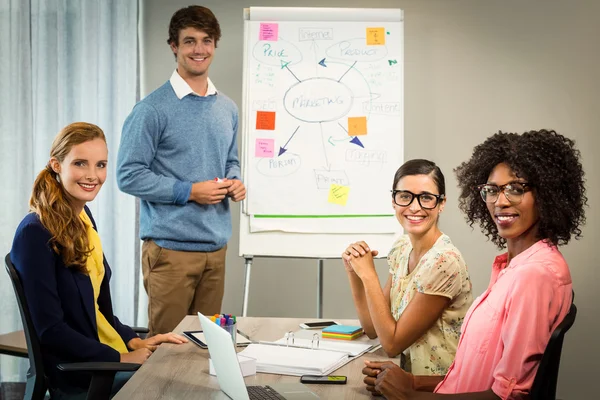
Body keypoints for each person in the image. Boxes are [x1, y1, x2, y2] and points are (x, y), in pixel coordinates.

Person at [362, 129, 586, 399]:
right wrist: (410, 381)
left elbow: (506, 396)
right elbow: (470, 374)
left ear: (547, 194)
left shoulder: (535, 275)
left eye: (516, 189)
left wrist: (410, 395)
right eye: (492, 190)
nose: (500, 201)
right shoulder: (511, 266)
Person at [9, 122, 188, 399]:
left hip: (104, 359)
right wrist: (120, 357)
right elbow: (51, 330)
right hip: (83, 373)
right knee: (179, 384)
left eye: (101, 165)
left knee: (184, 365)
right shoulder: (35, 232)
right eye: (81, 163)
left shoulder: (83, 219)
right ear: (56, 165)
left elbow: (96, 309)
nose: (93, 175)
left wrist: (135, 340)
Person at [116, 5, 245, 336]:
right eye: (189, 41)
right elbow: (128, 174)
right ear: (174, 45)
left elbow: (230, 160)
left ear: (215, 44)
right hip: (170, 252)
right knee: (166, 355)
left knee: (206, 350)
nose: (199, 50)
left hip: (216, 250)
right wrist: (189, 191)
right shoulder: (152, 109)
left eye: (206, 41)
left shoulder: (227, 108)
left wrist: (235, 181)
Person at [342, 159, 473, 376]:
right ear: (394, 201)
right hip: (406, 382)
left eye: (426, 198)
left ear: (441, 203)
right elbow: (373, 328)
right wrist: (354, 273)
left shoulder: (444, 261)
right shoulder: (402, 248)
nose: (414, 207)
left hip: (438, 388)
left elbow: (392, 344)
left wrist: (369, 274)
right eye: (405, 196)